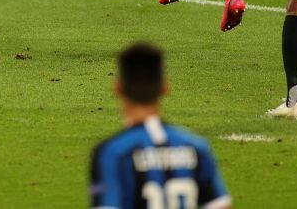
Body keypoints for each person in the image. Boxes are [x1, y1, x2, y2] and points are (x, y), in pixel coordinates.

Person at [90, 43, 231, 209]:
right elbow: (221, 204)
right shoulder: (196, 147)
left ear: (118, 88)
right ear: (165, 87)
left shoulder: (114, 152)